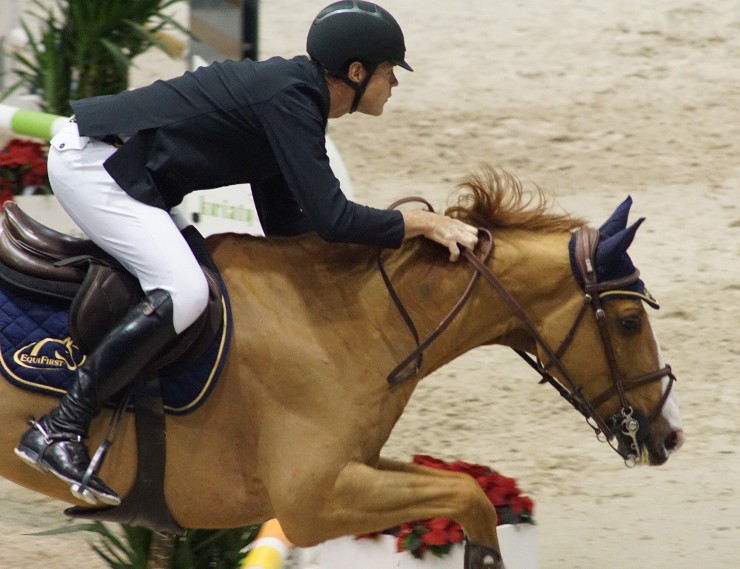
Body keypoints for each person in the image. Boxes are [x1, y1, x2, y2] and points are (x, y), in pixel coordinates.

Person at [14, 0, 479, 506]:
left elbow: (288, 225)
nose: (395, 84)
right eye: (390, 71)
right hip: (97, 169)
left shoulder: (295, 99)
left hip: (119, 168)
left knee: (194, 284)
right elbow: (334, 218)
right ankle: (62, 426)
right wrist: (420, 223)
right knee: (185, 291)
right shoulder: (291, 102)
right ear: (356, 71)